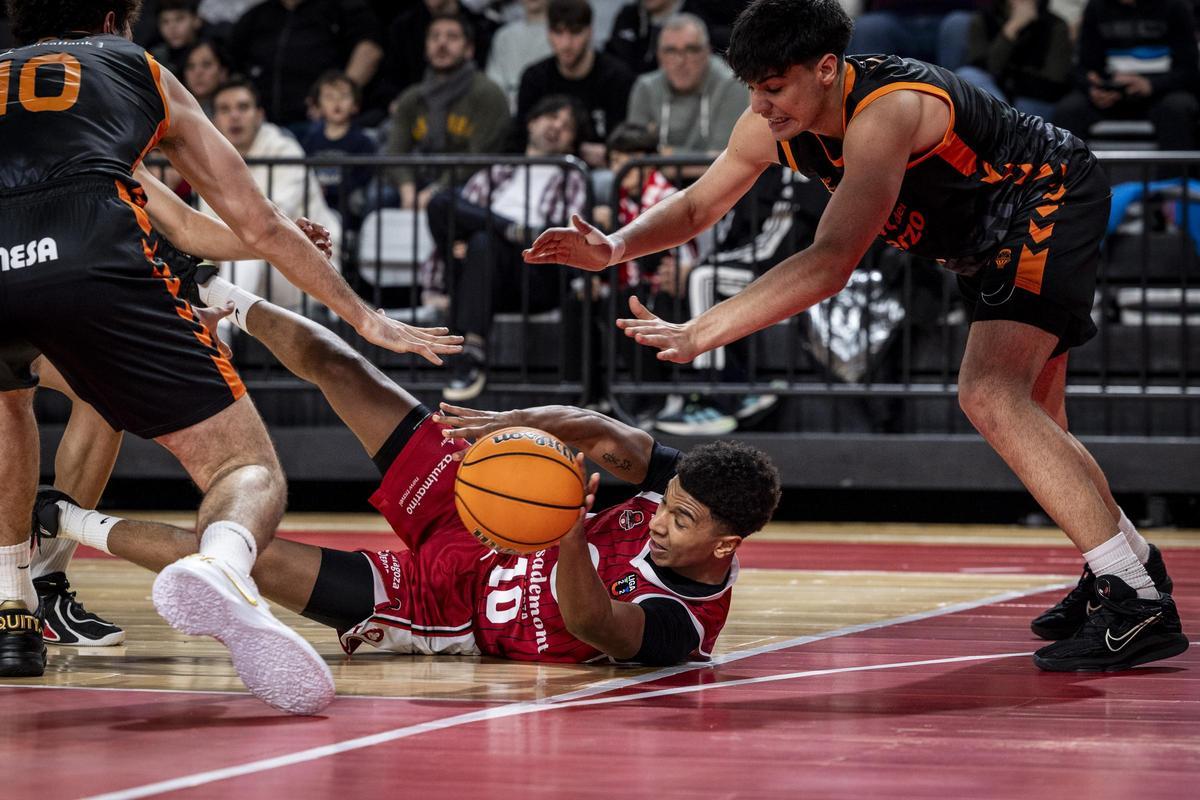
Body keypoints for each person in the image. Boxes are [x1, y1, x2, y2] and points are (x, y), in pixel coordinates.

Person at [525, 0, 1189, 672]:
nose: (761, 107)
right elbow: (701, 202)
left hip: (1047, 196)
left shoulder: (888, 109)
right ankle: (1125, 566)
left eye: (775, 88)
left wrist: (705, 329)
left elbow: (832, 259)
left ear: (826, 69)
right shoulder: (778, 120)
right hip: (988, 242)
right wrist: (615, 246)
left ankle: (1137, 603)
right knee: (1039, 417)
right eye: (752, 89)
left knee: (990, 393)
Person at [0, 1, 461, 702]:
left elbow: (184, 223)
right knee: (244, 465)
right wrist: (363, 315)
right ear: (116, 17)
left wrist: (265, 237)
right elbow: (252, 217)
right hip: (92, 254)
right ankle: (219, 564)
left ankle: (15, 606)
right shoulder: (129, 66)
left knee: (11, 402)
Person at [35, 263, 782, 666]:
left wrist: (565, 530)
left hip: (440, 603)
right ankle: (211, 286)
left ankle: (58, 517)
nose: (661, 520)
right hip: (471, 505)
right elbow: (597, 430)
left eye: (680, 519)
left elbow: (594, 624)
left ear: (725, 544)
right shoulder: (686, 481)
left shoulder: (680, 626)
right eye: (667, 502)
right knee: (351, 373)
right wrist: (514, 423)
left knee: (242, 558)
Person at [427, 95, 589, 401]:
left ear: (572, 141)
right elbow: (457, 213)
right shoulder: (496, 171)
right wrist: (494, 233)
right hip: (481, 264)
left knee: (483, 241)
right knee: (442, 204)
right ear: (531, 123)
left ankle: (470, 361)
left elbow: (566, 236)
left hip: (534, 272)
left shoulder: (573, 177)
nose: (557, 126)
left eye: (567, 126)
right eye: (551, 116)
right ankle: (508, 229)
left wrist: (509, 237)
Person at [202, 77, 344, 311]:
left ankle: (220, 337)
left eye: (243, 107)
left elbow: (269, 223)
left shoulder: (284, 150)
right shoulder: (210, 158)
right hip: (249, 266)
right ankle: (219, 334)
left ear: (260, 115)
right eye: (225, 110)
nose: (234, 116)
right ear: (215, 120)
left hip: (313, 269)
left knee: (252, 244)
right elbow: (205, 230)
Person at [384, 13, 511, 211]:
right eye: (434, 37)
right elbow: (395, 152)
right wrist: (406, 188)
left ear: (469, 50)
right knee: (379, 197)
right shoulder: (412, 97)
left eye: (452, 37)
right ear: (426, 48)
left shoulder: (487, 93)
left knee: (444, 203)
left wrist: (436, 190)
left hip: (466, 182)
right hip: (423, 177)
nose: (441, 43)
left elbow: (478, 159)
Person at [1052, 0, 1199, 156]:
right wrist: (1093, 88)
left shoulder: (1175, 6)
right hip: (1111, 93)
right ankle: (1068, 178)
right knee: (1068, 111)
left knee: (1178, 109)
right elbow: (1082, 67)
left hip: (1161, 92)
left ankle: (1172, 180)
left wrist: (1150, 85)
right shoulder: (1096, 7)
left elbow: (1189, 69)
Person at [229, 0, 384, 129]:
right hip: (261, 126)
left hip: (321, 124)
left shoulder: (343, 7)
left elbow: (369, 51)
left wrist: (336, 98)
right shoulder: (256, 16)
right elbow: (230, 66)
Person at [517, 0, 635, 167]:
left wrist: (608, 154)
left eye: (575, 32)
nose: (566, 44)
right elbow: (520, 138)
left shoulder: (617, 77)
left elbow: (625, 141)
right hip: (541, 167)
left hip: (599, 173)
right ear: (548, 33)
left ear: (590, 31)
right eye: (558, 32)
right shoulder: (534, 78)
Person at [625, 13, 747, 156]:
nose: (680, 61)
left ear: (707, 51)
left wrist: (665, 155)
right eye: (671, 51)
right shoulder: (645, 87)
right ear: (659, 56)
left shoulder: (731, 85)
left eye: (691, 50)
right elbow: (634, 157)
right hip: (655, 178)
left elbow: (728, 160)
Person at [956, 0, 1072, 120]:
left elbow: (1054, 81)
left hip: (1033, 98)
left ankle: (1008, 125)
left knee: (1028, 105)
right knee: (967, 74)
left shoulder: (1056, 26)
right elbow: (984, 68)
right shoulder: (984, 20)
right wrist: (1011, 29)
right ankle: (1006, 123)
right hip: (995, 93)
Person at [299, 71, 377, 224]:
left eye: (344, 96)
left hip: (346, 209)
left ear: (355, 106)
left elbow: (364, 176)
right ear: (318, 106)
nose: (337, 103)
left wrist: (335, 190)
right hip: (315, 204)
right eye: (329, 97)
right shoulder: (311, 140)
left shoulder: (362, 141)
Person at [486, 0, 554, 112]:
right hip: (507, 109)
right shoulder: (504, 35)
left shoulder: (561, 37)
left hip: (547, 108)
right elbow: (494, 80)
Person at [150, 0, 205, 78]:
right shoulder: (154, 58)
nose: (172, 27)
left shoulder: (212, 51)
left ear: (196, 20)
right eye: (165, 21)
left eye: (179, 19)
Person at [182, 37, 231, 117]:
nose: (198, 72)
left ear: (223, 72)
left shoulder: (236, 112)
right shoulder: (173, 112)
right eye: (190, 66)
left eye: (206, 65)